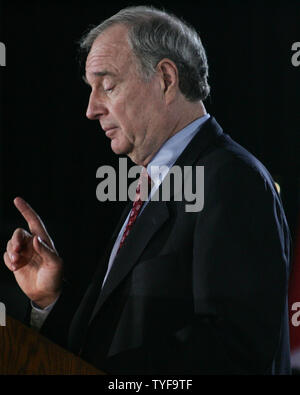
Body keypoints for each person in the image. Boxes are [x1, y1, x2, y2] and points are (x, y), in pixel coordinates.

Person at [3, 6, 291, 374]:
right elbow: (112, 341)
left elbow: (234, 351)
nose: (91, 109)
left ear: (166, 78)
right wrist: (49, 301)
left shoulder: (231, 180)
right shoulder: (152, 185)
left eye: (107, 86)